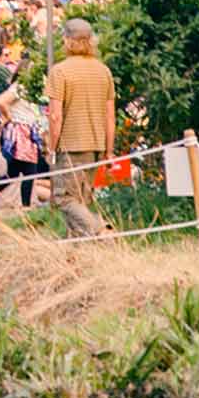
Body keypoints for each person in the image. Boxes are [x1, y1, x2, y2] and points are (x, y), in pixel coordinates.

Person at [44, 17, 116, 237]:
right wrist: (109, 150)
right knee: (81, 201)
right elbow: (110, 116)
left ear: (67, 41)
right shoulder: (103, 71)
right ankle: (77, 257)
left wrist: (51, 147)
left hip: (70, 145)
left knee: (64, 199)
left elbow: (55, 116)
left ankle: (101, 230)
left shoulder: (60, 71)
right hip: (95, 144)